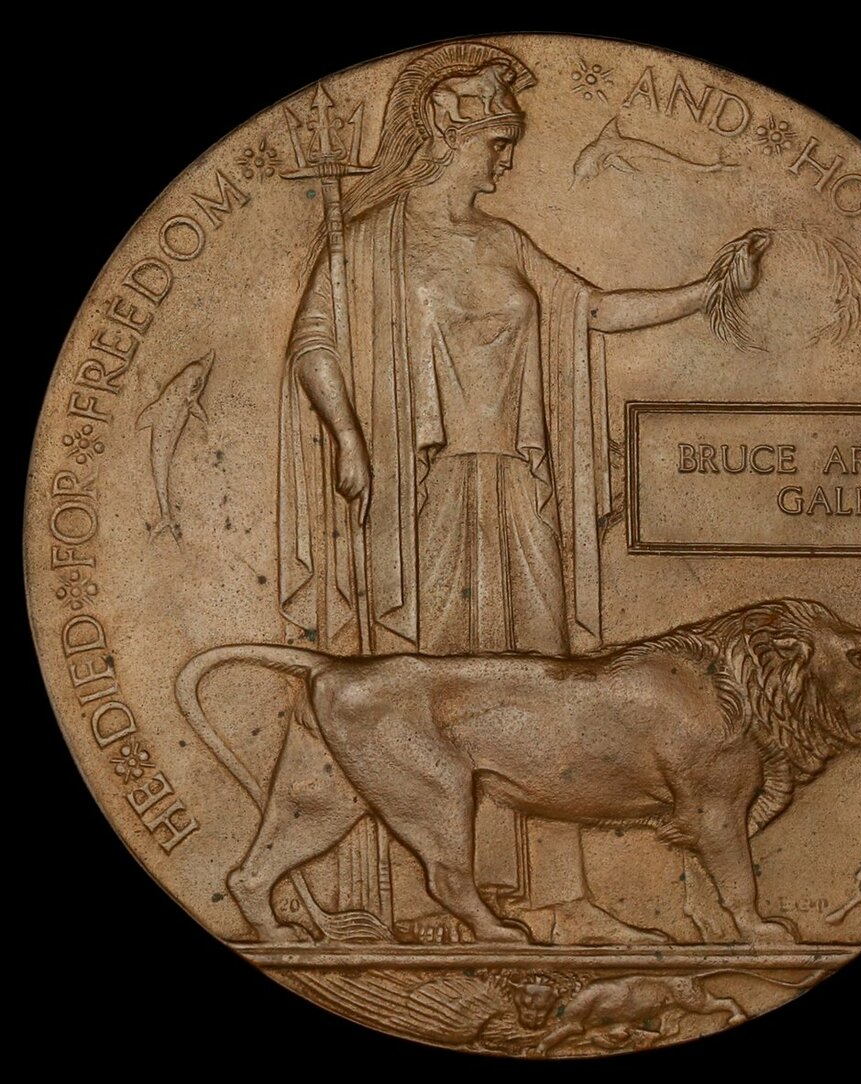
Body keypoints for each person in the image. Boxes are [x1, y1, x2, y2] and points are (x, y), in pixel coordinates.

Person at [277, 41, 766, 942]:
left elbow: (596, 310)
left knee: (548, 685)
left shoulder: (505, 243)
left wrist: (708, 290)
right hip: (423, 496)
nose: (506, 162)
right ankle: (442, 896)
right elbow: (315, 345)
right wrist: (347, 438)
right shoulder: (368, 243)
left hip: (516, 490)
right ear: (448, 134)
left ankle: (561, 896)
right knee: (434, 691)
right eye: (499, 143)